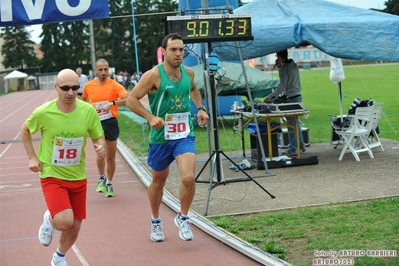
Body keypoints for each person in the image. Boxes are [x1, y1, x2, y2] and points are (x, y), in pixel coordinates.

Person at [126, 33, 209, 242]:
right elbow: (131, 100)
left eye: (181, 49)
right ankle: (155, 220)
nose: (178, 53)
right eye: (173, 49)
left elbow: (194, 89)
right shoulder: (153, 75)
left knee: (188, 178)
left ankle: (183, 217)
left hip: (184, 134)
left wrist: (200, 108)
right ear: (164, 51)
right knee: (159, 180)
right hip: (161, 136)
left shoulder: (188, 72)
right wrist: (150, 117)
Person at [20, 69, 106, 266]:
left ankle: (58, 257)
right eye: (65, 88)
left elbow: (98, 135)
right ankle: (50, 219)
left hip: (78, 174)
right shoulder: (44, 112)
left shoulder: (87, 111)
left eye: (75, 88)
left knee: (75, 226)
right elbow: (25, 130)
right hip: (52, 174)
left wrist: (100, 146)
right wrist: (32, 157)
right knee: (64, 221)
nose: (70, 92)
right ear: (56, 87)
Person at [82, 58, 129, 197]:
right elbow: (83, 101)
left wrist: (113, 102)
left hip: (110, 122)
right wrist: (88, 109)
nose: (103, 72)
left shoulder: (114, 85)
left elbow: (128, 99)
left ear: (109, 70)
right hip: (96, 123)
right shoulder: (88, 86)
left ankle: (109, 182)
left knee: (110, 157)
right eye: (101, 70)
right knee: (100, 153)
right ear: (95, 70)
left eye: (106, 69)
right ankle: (101, 177)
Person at [264, 49, 306, 156]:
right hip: (297, 97)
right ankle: (300, 145)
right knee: (296, 123)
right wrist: (279, 67)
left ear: (279, 57)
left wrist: (270, 97)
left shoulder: (284, 68)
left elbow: (281, 87)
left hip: (291, 98)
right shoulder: (293, 65)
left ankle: (293, 148)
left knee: (291, 124)